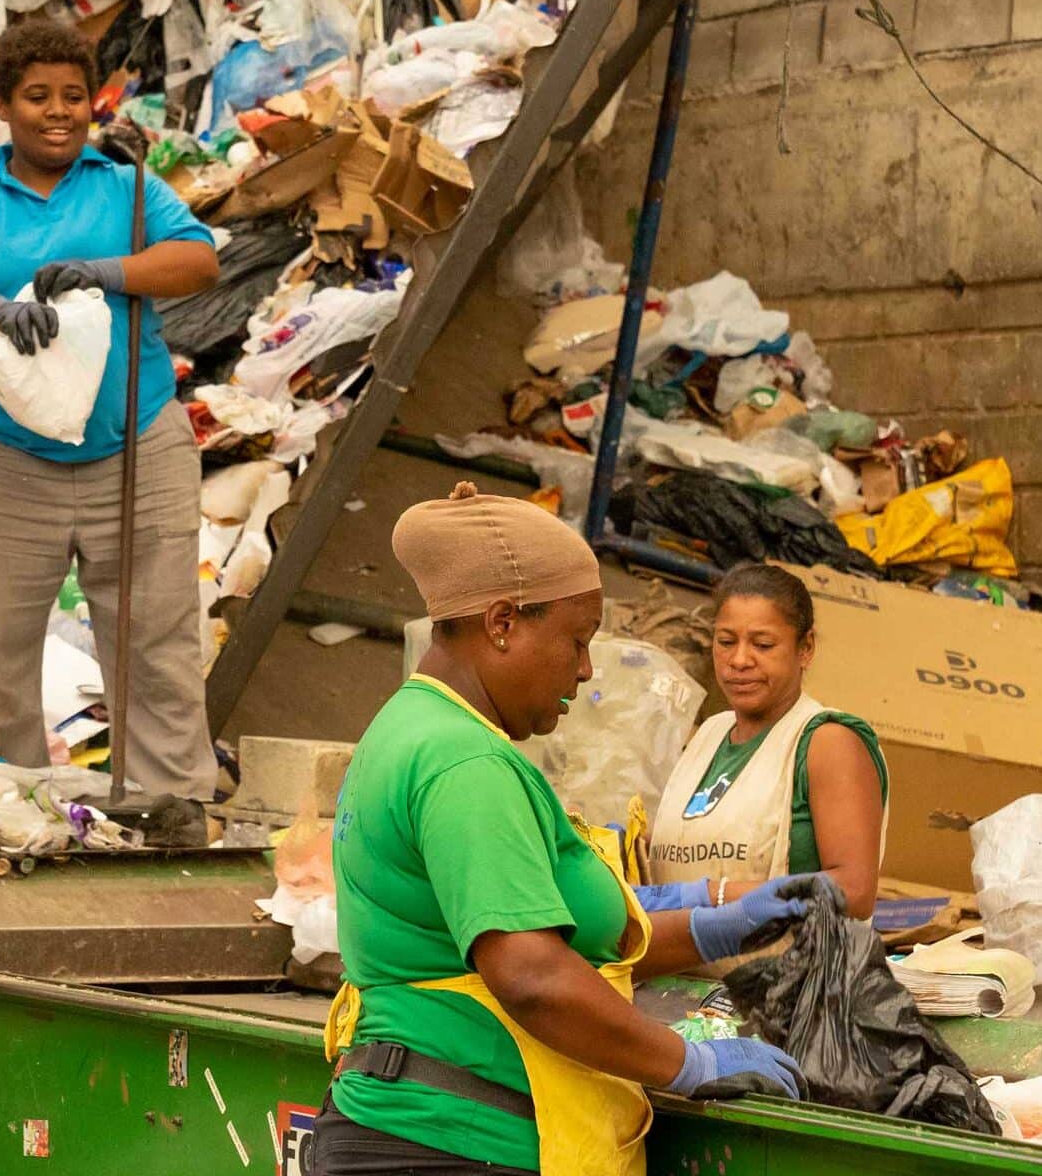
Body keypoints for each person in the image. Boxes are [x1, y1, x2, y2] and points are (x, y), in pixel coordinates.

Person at [314, 484, 826, 1176]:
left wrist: (716, 926)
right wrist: (686, 1061)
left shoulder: (412, 728)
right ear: (502, 623)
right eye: (576, 642)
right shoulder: (463, 762)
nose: (586, 670)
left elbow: (543, 938)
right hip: (453, 1145)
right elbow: (532, 975)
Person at [0, 20, 222, 800]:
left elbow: (199, 260)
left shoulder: (129, 189)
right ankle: (7, 817)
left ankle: (167, 810)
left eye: (74, 96)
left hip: (136, 453)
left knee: (155, 647)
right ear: (4, 107)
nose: (59, 112)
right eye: (37, 96)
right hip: (2, 461)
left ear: (92, 104)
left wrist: (111, 270)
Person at [636, 564, 887, 939]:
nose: (739, 660)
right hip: (691, 983)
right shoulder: (708, 736)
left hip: (794, 986)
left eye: (763, 644)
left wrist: (711, 895)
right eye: (726, 641)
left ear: (806, 648)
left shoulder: (827, 741)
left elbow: (853, 890)